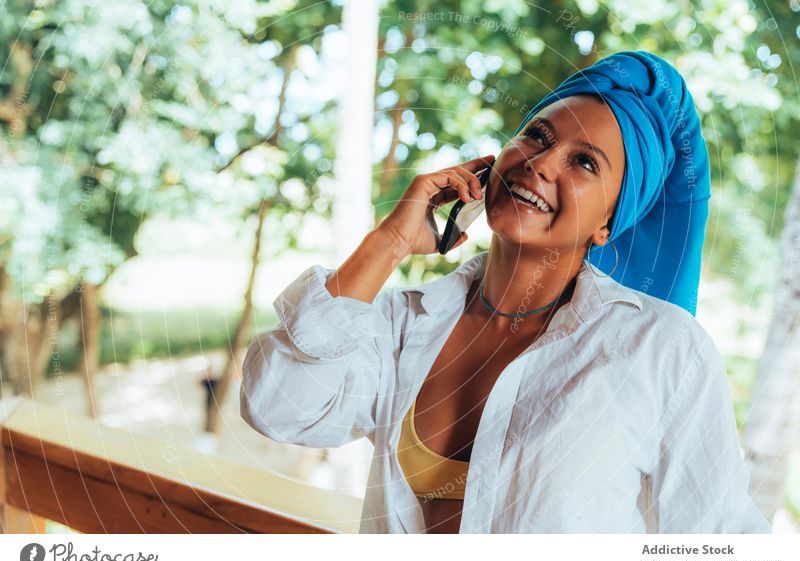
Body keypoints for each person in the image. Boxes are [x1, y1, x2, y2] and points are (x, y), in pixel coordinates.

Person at [240, 51, 771, 534]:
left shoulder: (659, 349)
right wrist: (390, 241)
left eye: (584, 162)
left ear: (609, 223)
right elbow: (279, 407)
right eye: (537, 134)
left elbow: (722, 538)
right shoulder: (404, 323)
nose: (541, 162)